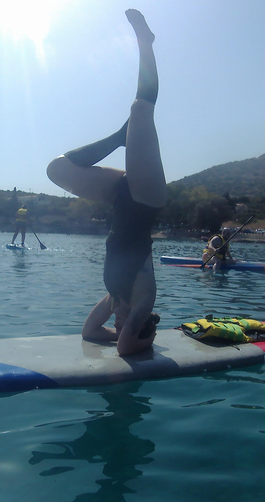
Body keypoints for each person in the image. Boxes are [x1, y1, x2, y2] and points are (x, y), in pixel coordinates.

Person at [46, 9, 166, 356]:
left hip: (120, 197)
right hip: (145, 199)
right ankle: (146, 43)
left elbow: (88, 332)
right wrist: (134, 334)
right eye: (121, 323)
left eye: (116, 323)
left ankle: (119, 138)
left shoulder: (115, 297)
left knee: (56, 169)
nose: (115, 323)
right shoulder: (144, 302)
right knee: (140, 109)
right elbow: (127, 347)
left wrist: (115, 324)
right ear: (138, 324)